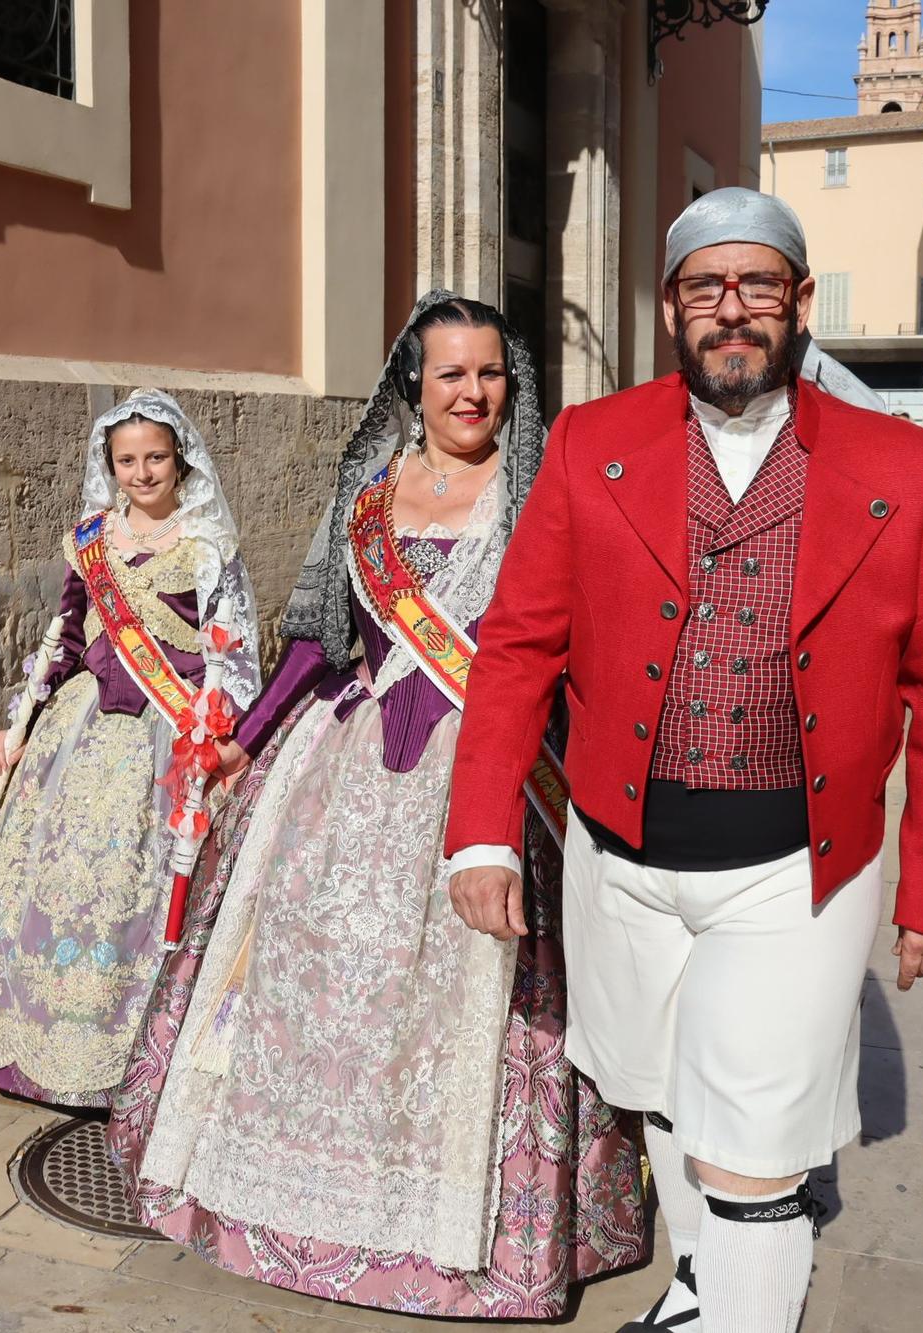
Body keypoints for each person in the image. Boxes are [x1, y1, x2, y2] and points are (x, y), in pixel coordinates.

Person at [444, 188, 923, 1333]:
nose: (729, 310)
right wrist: (484, 828)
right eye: (704, 287)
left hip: (794, 870)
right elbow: (517, 646)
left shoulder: (911, 467)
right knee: (656, 1095)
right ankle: (699, 1288)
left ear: (796, 301)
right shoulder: (593, 444)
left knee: (751, 1150)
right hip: (617, 857)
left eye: (756, 286)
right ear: (669, 307)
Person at [109, 293, 647, 1320]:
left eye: (488, 373)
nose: (471, 392)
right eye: (449, 374)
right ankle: (294, 1199)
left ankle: (460, 1235)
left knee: (479, 991)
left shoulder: (544, 493)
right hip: (347, 762)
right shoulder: (367, 492)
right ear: (414, 381)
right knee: (311, 967)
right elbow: (316, 635)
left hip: (491, 775)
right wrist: (243, 735)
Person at [0, 390, 262, 1107]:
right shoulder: (92, 540)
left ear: (181, 461)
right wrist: (22, 721)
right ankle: (37, 1032)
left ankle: (132, 1040)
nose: (142, 473)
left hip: (169, 735)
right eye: (127, 460)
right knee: (53, 879)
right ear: (109, 466)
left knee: (137, 886)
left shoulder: (207, 545)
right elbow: (66, 637)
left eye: (155, 458)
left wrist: (220, 729)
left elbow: (231, 648)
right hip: (79, 729)